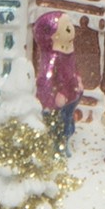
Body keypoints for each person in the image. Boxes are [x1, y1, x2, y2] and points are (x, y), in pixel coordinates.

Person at [34, 11, 83, 153]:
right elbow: (46, 79)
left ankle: (63, 142)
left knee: (68, 122)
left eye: (70, 25)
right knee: (60, 126)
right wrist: (51, 99)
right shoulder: (53, 57)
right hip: (59, 100)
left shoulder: (69, 52)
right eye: (67, 28)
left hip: (72, 95)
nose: (72, 30)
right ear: (54, 36)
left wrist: (78, 79)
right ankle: (58, 148)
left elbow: (73, 69)